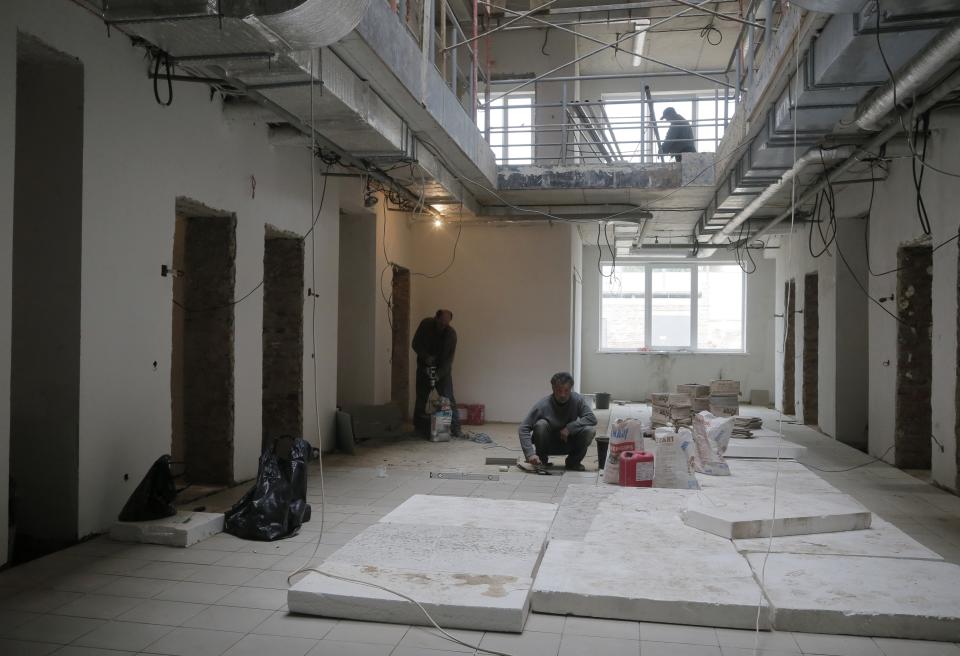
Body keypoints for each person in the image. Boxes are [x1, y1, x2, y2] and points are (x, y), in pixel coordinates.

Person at [518, 372, 596, 471]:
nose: (562, 395)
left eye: (566, 391)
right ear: (553, 389)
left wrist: (570, 427)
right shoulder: (543, 405)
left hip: (569, 442)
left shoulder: (577, 400)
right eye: (559, 390)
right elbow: (523, 428)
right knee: (541, 425)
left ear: (571, 389)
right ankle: (541, 461)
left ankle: (573, 462)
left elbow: (591, 418)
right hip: (548, 444)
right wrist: (530, 454)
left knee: (590, 430)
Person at [412, 309, 460, 437]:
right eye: (441, 323)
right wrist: (426, 357)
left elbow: (449, 360)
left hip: (442, 370)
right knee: (421, 398)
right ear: (436, 318)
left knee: (448, 397)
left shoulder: (451, 334)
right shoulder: (425, 325)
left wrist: (438, 375)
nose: (443, 326)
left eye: (446, 324)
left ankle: (456, 429)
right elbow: (415, 344)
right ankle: (419, 429)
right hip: (424, 366)